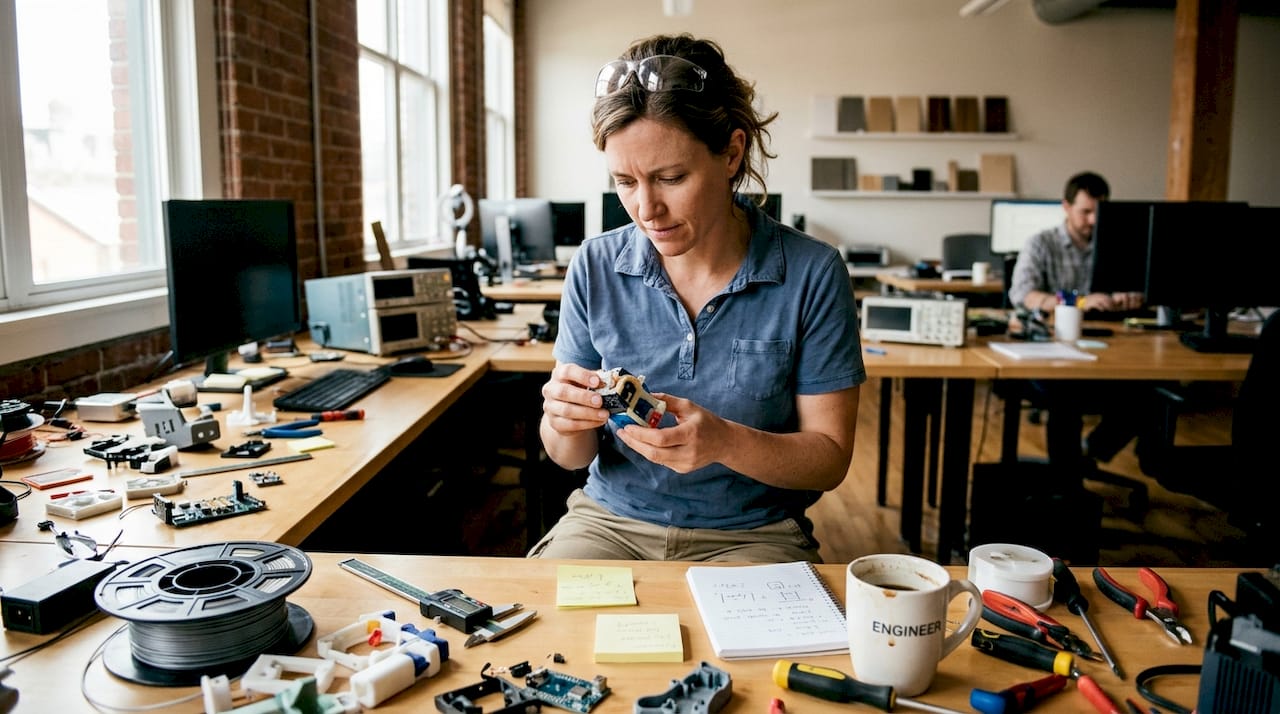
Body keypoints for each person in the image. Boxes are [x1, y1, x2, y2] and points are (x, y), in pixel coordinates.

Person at [529, 34, 865, 562]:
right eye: (624, 182)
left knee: (757, 647)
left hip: (752, 532)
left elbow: (829, 459)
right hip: (609, 523)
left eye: (671, 178)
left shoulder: (812, 272)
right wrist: (561, 420)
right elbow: (571, 457)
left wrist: (725, 442)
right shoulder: (594, 266)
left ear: (732, 154)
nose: (645, 209)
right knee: (551, 634)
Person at [1008, 171, 1149, 474]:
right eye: (1085, 212)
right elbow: (1022, 294)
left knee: (1152, 390)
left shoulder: (1121, 244)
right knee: (1065, 392)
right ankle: (1065, 482)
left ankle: (1091, 451)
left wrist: (1132, 296)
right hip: (1057, 348)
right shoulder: (1042, 244)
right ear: (1066, 207)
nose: (1093, 221)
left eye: (1099, 213)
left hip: (1114, 346)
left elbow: (1145, 291)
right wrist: (1081, 302)